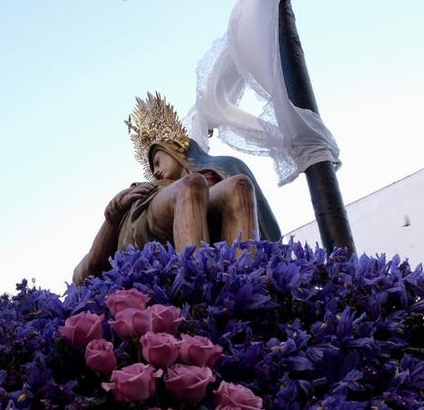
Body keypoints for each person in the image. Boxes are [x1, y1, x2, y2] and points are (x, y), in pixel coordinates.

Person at [73, 93, 280, 285]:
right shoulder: (150, 187)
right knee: (191, 185)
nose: (156, 170)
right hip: (155, 212)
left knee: (239, 184)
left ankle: (247, 282)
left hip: (200, 196)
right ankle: (197, 285)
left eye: (157, 160)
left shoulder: (219, 169)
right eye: (153, 166)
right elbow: (86, 270)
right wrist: (115, 212)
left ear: (174, 149)